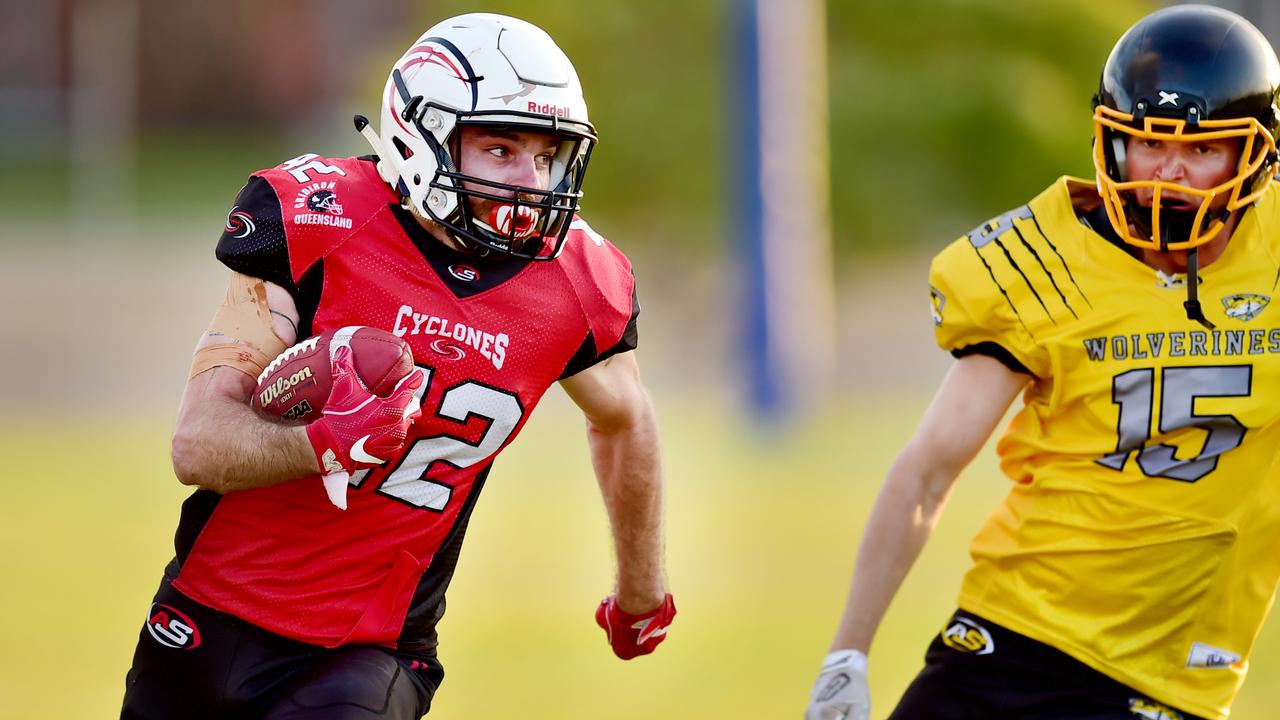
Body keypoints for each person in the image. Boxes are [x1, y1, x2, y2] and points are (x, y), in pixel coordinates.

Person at [120, 13, 675, 720]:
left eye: (546, 155)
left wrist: (641, 591)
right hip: (208, 614)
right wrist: (321, 442)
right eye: (500, 148)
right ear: (422, 135)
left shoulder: (574, 281)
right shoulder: (320, 217)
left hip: (372, 648)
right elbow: (198, 443)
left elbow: (627, 417)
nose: (531, 181)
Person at [805, 5, 1280, 720]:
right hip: (1012, 640)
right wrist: (849, 651)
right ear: (1111, 142)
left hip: (1167, 679)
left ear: (1256, 156)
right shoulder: (1040, 261)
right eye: (1147, 146)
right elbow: (930, 469)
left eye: (1203, 151)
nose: (1168, 174)